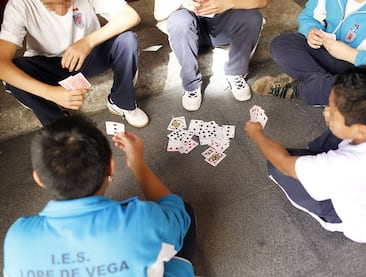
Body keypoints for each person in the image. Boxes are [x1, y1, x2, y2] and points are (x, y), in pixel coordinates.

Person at [3, 115, 196, 276]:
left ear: (39, 179)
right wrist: (138, 164)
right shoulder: (142, 219)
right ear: (111, 167)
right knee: (182, 210)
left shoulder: (17, 239)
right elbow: (175, 211)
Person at [245, 64, 366, 246]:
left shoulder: (348, 167)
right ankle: (324, 144)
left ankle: (328, 217)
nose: (326, 111)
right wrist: (336, 120)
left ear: (361, 131)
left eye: (333, 113)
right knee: (335, 134)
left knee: (275, 166)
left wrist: (257, 134)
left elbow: (285, 164)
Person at [0, 0, 149, 128]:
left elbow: (130, 16)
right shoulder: (19, 5)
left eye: (67, 1)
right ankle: (60, 124)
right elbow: (1, 63)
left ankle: (121, 103)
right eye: (52, 4)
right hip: (48, 65)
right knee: (12, 74)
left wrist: (88, 42)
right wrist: (50, 93)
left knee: (127, 41)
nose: (62, 10)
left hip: (89, 56)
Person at [253, 0, 366, 106]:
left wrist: (352, 55)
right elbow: (309, 16)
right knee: (281, 45)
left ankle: (301, 89)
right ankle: (325, 91)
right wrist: (310, 31)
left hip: (363, 70)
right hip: (328, 52)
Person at [154, 0, 268, 111]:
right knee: (178, 21)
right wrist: (181, 2)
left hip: (223, 28)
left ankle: (236, 73)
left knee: (252, 17)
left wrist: (229, 2)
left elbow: (261, 2)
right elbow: (158, 14)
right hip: (189, 31)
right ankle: (191, 85)